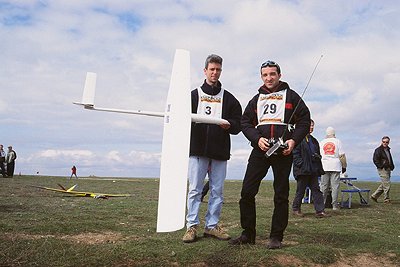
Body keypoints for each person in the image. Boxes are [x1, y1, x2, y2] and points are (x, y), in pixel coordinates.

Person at [229, 60, 310, 249]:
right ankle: (248, 234)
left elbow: (305, 120)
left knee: (280, 195)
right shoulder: (256, 99)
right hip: (260, 150)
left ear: (279, 75)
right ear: (261, 77)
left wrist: (293, 140)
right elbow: (244, 122)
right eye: (265, 75)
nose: (269, 78)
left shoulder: (291, 96)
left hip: (283, 151)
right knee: (247, 192)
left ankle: (276, 237)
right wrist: (257, 139)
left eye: (272, 74)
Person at [182, 54, 242, 243]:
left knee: (217, 190)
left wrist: (229, 125)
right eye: (212, 69)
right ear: (205, 70)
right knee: (195, 189)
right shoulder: (193, 95)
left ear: (221, 71)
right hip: (198, 150)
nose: (215, 72)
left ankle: (211, 226)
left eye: (218, 69)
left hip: (219, 151)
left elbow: (238, 124)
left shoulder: (229, 98)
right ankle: (191, 226)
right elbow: (181, 121)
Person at [292, 119, 329, 218]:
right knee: (301, 190)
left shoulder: (313, 140)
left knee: (316, 190)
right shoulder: (297, 139)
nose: (311, 127)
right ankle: (296, 209)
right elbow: (295, 154)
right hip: (303, 170)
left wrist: (317, 158)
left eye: (313, 125)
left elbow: (317, 153)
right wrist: (301, 164)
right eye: (310, 125)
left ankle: (320, 211)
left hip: (313, 169)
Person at [319, 127, 347, 211]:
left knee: (324, 186)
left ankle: (321, 204)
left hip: (324, 166)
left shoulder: (322, 142)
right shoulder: (338, 141)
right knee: (335, 187)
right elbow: (342, 155)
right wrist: (344, 166)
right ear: (334, 134)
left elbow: (319, 154)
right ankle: (334, 205)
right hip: (335, 165)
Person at [371, 136, 395, 204]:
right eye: (384, 142)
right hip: (382, 169)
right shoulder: (378, 150)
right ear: (381, 142)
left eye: (386, 142)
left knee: (384, 184)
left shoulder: (387, 150)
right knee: (387, 184)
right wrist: (381, 166)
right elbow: (375, 160)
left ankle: (374, 196)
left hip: (388, 168)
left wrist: (392, 166)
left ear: (388, 142)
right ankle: (386, 199)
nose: (385, 143)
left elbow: (389, 159)